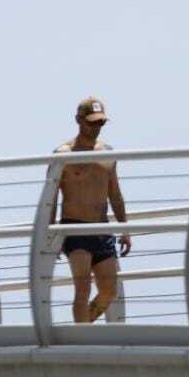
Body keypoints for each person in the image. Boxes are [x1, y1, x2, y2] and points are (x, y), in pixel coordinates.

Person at [53, 96, 131, 324]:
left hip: (101, 229)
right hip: (74, 228)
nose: (96, 128)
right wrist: (52, 234)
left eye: (100, 123)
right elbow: (51, 196)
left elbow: (115, 194)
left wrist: (125, 229)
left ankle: (84, 327)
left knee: (109, 291)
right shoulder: (63, 154)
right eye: (91, 123)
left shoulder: (107, 153)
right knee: (82, 289)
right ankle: (81, 339)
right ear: (78, 120)